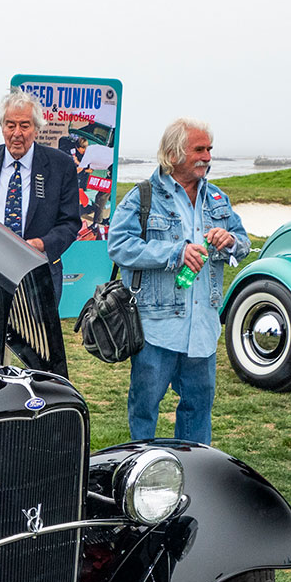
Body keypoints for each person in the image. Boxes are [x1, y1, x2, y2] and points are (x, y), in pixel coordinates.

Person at [108, 118, 249, 444]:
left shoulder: (217, 199)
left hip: (203, 326)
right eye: (199, 149)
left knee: (199, 408)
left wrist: (230, 241)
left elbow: (242, 243)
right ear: (173, 154)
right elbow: (118, 247)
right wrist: (174, 253)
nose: (207, 157)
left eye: (209, 149)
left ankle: (194, 472)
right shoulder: (142, 197)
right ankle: (140, 470)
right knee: (145, 408)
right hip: (157, 326)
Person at [0, 90, 82, 376]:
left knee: (39, 360)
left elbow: (70, 224)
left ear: (36, 128)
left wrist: (41, 244)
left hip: (37, 278)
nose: (17, 133)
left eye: (24, 125)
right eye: (10, 124)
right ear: (2, 126)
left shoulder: (59, 165)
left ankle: (40, 412)